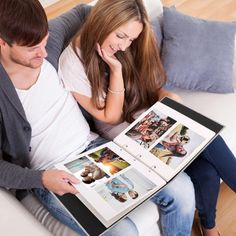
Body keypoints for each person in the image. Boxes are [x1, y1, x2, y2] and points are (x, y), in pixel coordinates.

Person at [0, 0, 195, 236]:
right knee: (123, 232)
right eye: (33, 49)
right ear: (3, 43)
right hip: (53, 172)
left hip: (96, 149)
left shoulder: (46, 44)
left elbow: (84, 11)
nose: (44, 53)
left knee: (182, 188)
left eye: (44, 42)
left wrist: (116, 26)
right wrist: (41, 179)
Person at [58, 0, 236, 235]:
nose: (124, 46)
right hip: (126, 138)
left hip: (153, 119)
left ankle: (208, 227)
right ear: (103, 21)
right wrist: (116, 70)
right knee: (207, 148)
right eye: (121, 36)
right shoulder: (73, 61)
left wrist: (167, 96)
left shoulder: (132, 41)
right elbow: (110, 117)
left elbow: (155, 85)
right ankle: (209, 228)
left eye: (130, 40)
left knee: (207, 162)